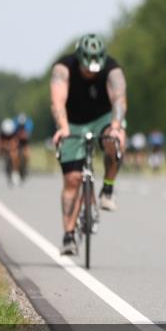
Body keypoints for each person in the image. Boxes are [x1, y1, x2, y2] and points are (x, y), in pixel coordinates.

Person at [50, 33, 127, 255]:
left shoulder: (112, 69)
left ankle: (108, 189)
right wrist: (63, 127)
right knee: (72, 180)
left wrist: (115, 125)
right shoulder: (64, 68)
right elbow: (57, 101)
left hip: (102, 118)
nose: (91, 72)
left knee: (117, 140)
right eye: (87, 68)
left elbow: (119, 101)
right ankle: (69, 235)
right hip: (72, 122)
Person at [0, 118, 20, 185]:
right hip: (5, 148)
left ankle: (15, 173)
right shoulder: (2, 133)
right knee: (2, 153)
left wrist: (11, 146)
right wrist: (4, 147)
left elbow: (16, 142)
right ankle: (5, 165)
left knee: (15, 156)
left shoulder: (14, 132)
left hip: (12, 148)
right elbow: (0, 143)